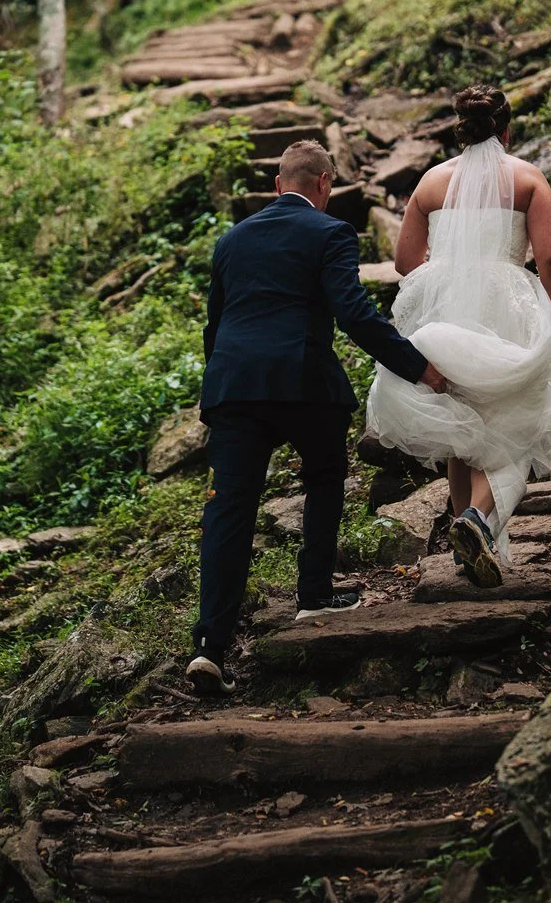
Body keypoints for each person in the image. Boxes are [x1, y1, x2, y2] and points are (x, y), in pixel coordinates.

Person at [189, 139, 448, 697]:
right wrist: (417, 367)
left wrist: (225, 386)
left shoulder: (231, 240)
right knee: (326, 478)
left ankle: (210, 645)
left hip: (235, 388)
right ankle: (312, 595)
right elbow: (353, 313)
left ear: (279, 185)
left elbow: (215, 327)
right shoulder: (331, 232)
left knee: (228, 512)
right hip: (304, 383)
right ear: (325, 184)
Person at [366, 85, 551, 589]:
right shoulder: (526, 178)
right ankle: (476, 522)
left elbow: (405, 262)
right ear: (507, 128)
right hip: (506, 309)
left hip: (444, 312)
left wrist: (451, 270)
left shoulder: (430, 183)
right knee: (520, 422)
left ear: (461, 129)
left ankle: (466, 543)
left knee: (461, 428)